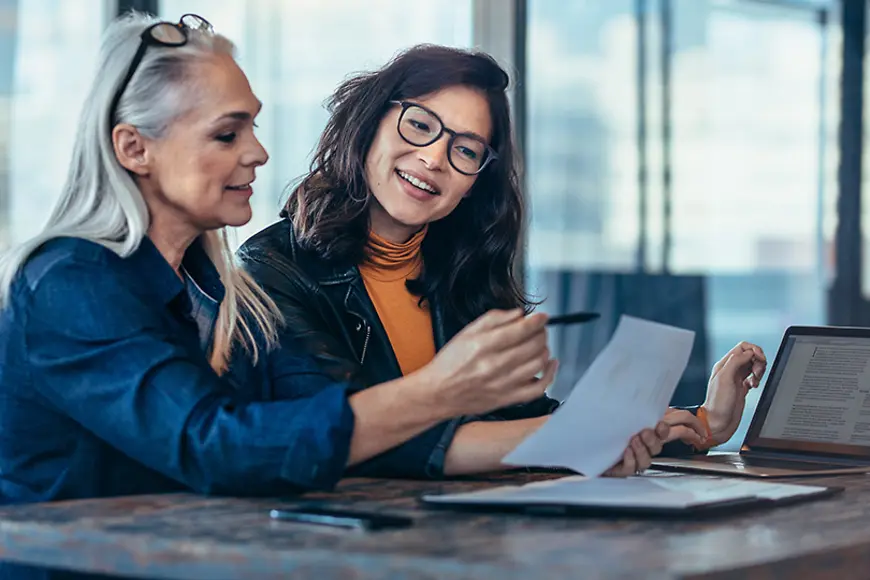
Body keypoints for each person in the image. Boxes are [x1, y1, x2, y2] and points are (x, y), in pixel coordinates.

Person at [0, 14, 578, 505]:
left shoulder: (224, 292)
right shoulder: (69, 282)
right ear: (134, 148)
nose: (258, 152)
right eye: (228, 135)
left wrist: (587, 435)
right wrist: (440, 391)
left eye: (252, 125)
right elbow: (214, 446)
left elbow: (327, 424)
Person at [238, 44, 768, 478]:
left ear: (475, 183)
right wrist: (585, 437)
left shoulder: (460, 272)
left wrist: (704, 422)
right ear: (370, 123)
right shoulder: (270, 271)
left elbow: (520, 422)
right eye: (420, 125)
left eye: (466, 150)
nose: (434, 158)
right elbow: (351, 436)